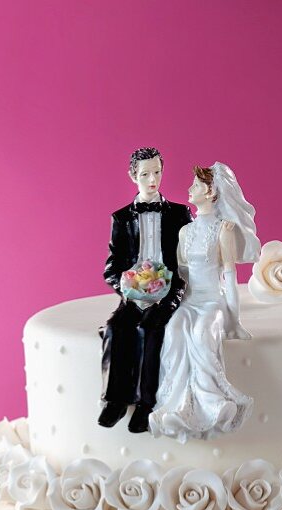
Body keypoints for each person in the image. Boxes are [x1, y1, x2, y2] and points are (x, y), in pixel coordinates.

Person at [148, 163, 261, 443]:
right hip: (189, 300)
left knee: (201, 335)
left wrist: (234, 321)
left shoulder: (224, 230)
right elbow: (181, 274)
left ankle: (213, 404)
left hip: (212, 301)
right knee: (173, 331)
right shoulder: (186, 232)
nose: (190, 189)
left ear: (211, 192)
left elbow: (230, 277)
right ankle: (176, 406)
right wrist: (156, 284)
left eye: (197, 185)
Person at [99, 147, 192, 433]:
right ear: (132, 176)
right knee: (116, 327)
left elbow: (188, 262)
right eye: (145, 174)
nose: (153, 179)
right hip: (134, 295)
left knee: (152, 331)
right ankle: (114, 400)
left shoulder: (179, 214)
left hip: (169, 293)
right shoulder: (122, 218)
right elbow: (111, 268)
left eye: (157, 172)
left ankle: (145, 404)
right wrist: (127, 288)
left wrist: (172, 293)